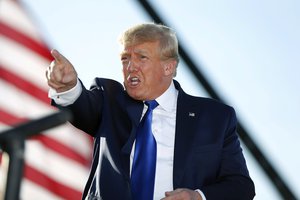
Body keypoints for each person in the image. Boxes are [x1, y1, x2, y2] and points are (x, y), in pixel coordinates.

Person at [46, 23, 255, 200]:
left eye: (141, 57)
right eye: (125, 58)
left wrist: (197, 196)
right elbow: (82, 105)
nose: (130, 67)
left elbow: (240, 185)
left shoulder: (215, 117)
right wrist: (67, 87)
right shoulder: (110, 100)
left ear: (168, 68)